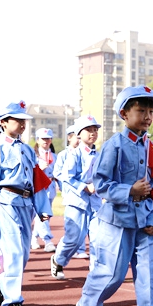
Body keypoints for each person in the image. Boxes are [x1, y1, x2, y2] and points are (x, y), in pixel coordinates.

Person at [75, 85, 153, 306]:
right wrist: (129, 189)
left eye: (151, 111)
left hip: (145, 220)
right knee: (112, 274)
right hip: (117, 220)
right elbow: (102, 184)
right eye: (141, 110)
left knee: (149, 276)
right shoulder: (113, 145)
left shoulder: (151, 148)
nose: (147, 116)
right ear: (124, 113)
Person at [0, 101, 53, 306]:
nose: (22, 124)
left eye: (24, 120)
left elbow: (36, 180)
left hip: (26, 205)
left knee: (24, 254)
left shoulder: (27, 150)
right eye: (17, 120)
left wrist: (42, 208)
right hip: (5, 203)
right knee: (13, 252)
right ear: (3, 122)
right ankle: (11, 303)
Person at [50, 116, 102, 280]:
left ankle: (95, 273)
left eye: (95, 130)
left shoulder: (99, 155)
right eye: (89, 130)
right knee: (74, 239)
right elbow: (67, 176)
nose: (93, 133)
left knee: (97, 239)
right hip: (76, 202)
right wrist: (85, 187)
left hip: (95, 203)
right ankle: (58, 260)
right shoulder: (74, 154)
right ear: (79, 134)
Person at [30, 128, 58, 254]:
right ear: (38, 140)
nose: (46, 141)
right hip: (38, 189)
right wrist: (39, 169)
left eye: (48, 138)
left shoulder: (55, 156)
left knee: (43, 215)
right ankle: (47, 241)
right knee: (43, 215)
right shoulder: (33, 156)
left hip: (50, 189)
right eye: (43, 138)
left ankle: (34, 238)